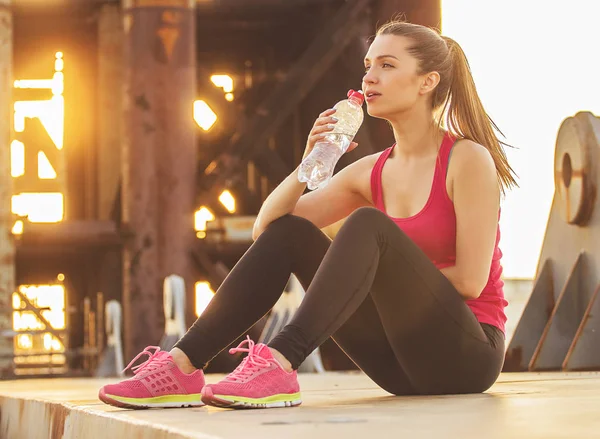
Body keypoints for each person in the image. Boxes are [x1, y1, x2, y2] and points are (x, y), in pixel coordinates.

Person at [99, 19, 516, 410]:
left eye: (387, 66)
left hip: (465, 355)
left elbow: (470, 280)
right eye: (368, 66)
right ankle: (182, 367)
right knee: (294, 233)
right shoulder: (370, 171)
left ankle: (279, 362)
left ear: (428, 81)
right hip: (399, 367)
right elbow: (271, 230)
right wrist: (308, 165)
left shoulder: (466, 159)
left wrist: (366, 281)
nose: (369, 77)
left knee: (368, 226)